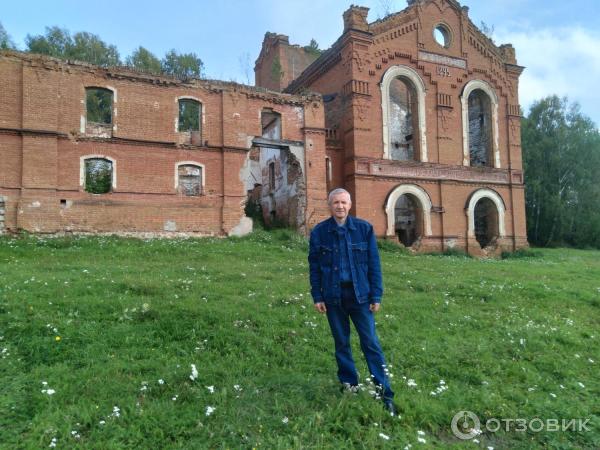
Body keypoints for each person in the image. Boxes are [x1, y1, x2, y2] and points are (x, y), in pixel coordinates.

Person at [308, 188, 397, 415]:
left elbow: (374, 264)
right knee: (342, 343)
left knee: (371, 343)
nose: (340, 206)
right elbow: (315, 267)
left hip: (361, 297)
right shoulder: (319, 232)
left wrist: (376, 295)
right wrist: (317, 295)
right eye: (336, 202)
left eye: (344, 202)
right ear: (330, 205)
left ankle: (384, 392)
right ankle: (350, 384)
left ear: (350, 204)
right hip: (333, 297)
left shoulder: (364, 229)